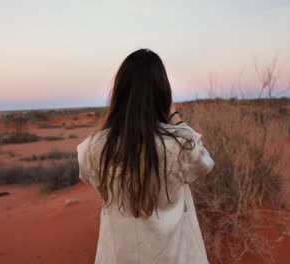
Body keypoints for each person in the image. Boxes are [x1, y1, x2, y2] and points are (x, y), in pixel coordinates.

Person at [77, 48, 214, 264]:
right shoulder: (181, 144)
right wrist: (175, 116)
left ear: (119, 93)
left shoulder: (92, 148)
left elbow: (88, 175)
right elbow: (205, 163)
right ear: (163, 92)